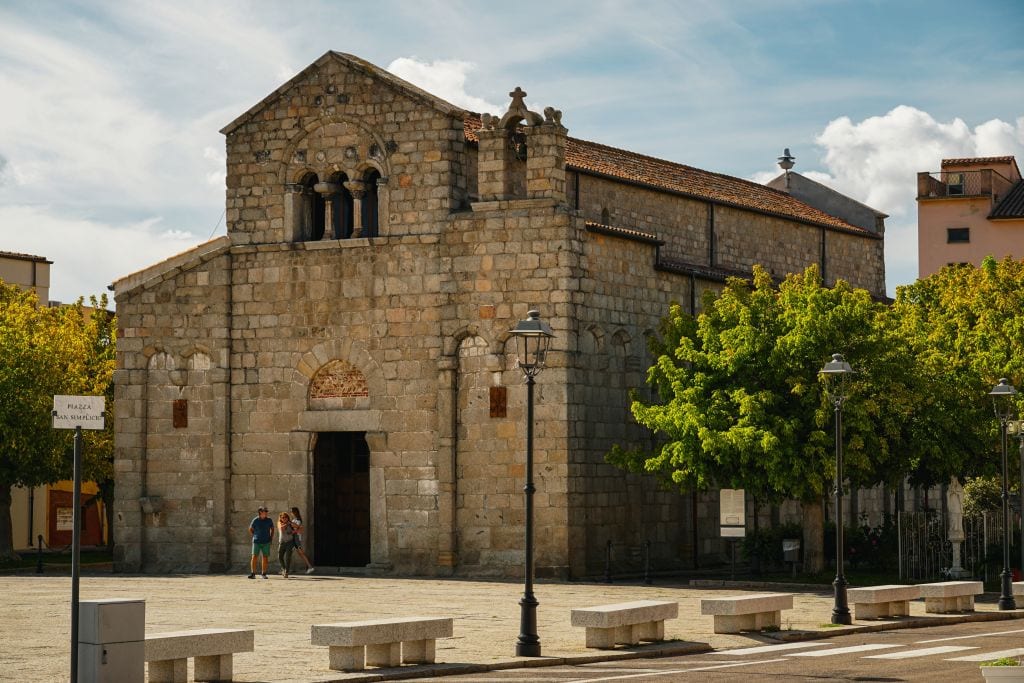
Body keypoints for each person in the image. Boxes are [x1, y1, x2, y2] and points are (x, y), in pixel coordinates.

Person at [248, 506, 274, 579]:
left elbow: (272, 528)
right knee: (254, 556)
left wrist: (271, 537)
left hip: (266, 541)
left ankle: (264, 574)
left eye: (266, 511)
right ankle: (253, 573)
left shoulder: (269, 520)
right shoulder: (255, 520)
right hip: (256, 541)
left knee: (265, 557)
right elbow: (250, 529)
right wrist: (255, 535)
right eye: (264, 511)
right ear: (260, 512)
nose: (266, 513)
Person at [290, 506, 315, 574]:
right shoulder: (294, 520)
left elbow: (297, 529)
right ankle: (288, 568)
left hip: (296, 538)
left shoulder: (298, 520)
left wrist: (290, 524)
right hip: (294, 538)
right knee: (291, 552)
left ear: (294, 512)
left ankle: (310, 567)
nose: (291, 513)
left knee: (300, 553)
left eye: (292, 512)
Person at [277, 511, 296, 578]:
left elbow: (299, 528)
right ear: (281, 518)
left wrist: (294, 530)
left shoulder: (290, 523)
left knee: (288, 557)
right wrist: (287, 524)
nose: (284, 519)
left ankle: (286, 572)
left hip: (290, 542)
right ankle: (284, 568)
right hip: (282, 542)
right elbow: (281, 528)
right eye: (283, 517)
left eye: (286, 517)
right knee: (280, 557)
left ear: (288, 518)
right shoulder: (279, 523)